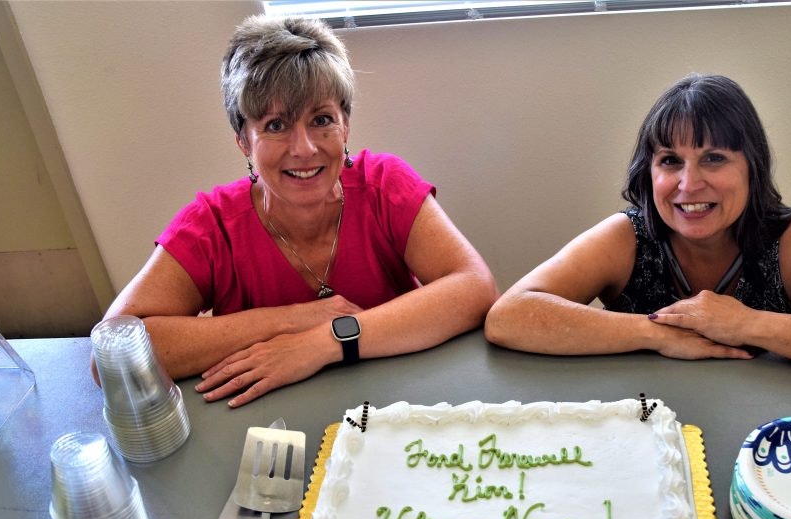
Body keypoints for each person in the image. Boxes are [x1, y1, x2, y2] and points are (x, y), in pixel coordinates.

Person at [95, 15, 497, 407]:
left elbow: (474, 288)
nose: (304, 148)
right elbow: (110, 357)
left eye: (322, 120)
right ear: (243, 142)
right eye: (275, 125)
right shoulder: (212, 224)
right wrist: (293, 319)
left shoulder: (385, 184)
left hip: (402, 404)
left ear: (346, 128)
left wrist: (326, 340)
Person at [484, 74, 791, 383]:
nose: (689, 183)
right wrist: (657, 333)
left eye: (714, 158)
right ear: (649, 173)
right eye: (670, 161)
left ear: (751, 168)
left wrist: (747, 324)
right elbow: (510, 316)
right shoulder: (626, 236)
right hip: (647, 424)